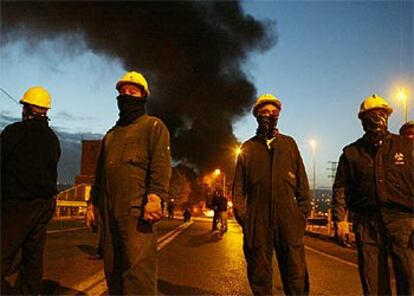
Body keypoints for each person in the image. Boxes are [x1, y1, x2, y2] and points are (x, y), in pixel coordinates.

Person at [85, 71, 172, 295]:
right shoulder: (111, 135)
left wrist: (155, 197)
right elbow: (100, 174)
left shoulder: (153, 127)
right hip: (109, 212)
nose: (126, 95)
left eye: (132, 92)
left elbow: (161, 165)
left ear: (143, 96)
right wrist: (92, 205)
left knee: (138, 273)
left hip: (137, 213)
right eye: (122, 92)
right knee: (112, 269)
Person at [332, 94, 414, 295]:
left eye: (381, 113)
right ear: (362, 119)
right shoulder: (351, 153)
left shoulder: (406, 147)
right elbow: (341, 187)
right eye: (371, 114)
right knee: (374, 283)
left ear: (387, 116)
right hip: (367, 224)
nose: (377, 117)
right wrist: (340, 220)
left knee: (409, 278)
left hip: (403, 222)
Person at [232, 93, 310, 295]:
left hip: (288, 220)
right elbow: (238, 190)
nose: (269, 115)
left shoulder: (289, 144)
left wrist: (299, 218)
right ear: (256, 115)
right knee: (259, 274)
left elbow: (303, 185)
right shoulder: (247, 148)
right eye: (264, 111)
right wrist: (246, 219)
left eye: (274, 112)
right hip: (258, 221)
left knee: (296, 275)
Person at [1, 86, 60, 294]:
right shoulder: (52, 139)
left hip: (17, 204)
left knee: (3, 253)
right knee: (32, 260)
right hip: (44, 205)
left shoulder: (14, 132)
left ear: (26, 108)